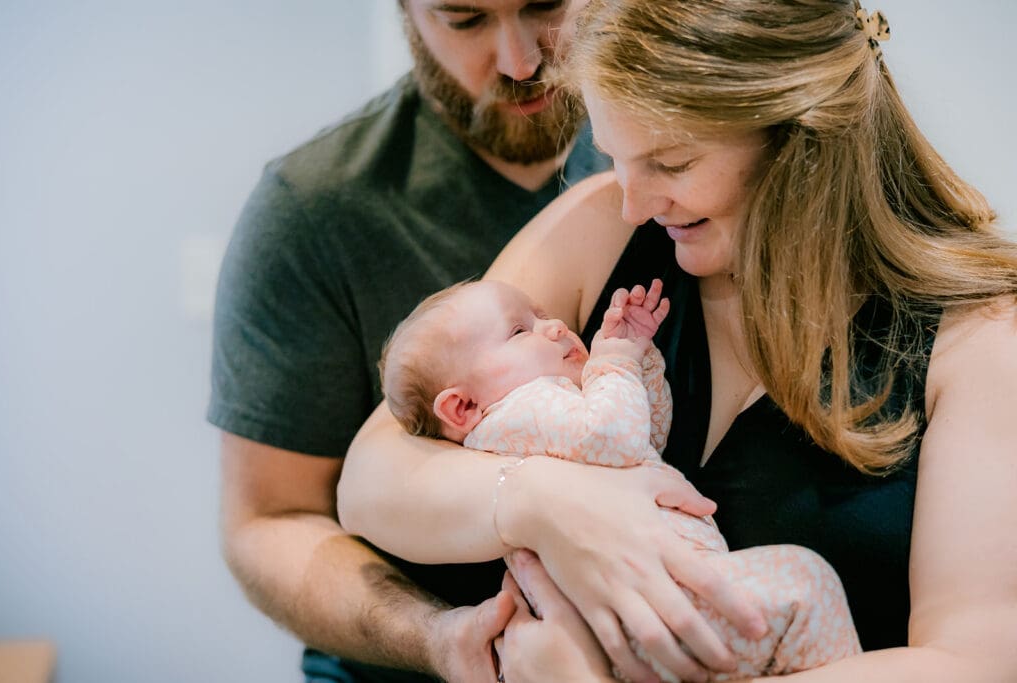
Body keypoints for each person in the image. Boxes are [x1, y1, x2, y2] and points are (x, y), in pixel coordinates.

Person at [338, 1, 1017, 682]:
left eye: (672, 161)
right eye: (613, 156)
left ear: (801, 137)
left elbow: (976, 664)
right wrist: (542, 502)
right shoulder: (602, 227)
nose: (634, 203)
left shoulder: (978, 338)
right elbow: (371, 476)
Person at [208, 2, 615, 682]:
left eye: (544, 4)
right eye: (465, 19)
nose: (521, 61)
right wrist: (436, 636)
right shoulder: (314, 211)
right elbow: (270, 520)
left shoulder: (669, 153)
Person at [380, 277, 861, 681]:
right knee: (805, 583)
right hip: (643, 608)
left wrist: (635, 354)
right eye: (519, 330)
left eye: (541, 313)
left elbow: (649, 433)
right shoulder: (512, 416)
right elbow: (617, 434)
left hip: (648, 606)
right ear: (462, 407)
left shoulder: (555, 410)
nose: (552, 327)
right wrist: (614, 361)